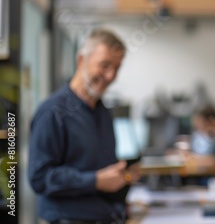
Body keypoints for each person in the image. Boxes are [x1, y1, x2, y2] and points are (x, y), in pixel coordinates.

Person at [28, 29, 140, 224]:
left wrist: (122, 178)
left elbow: (99, 170)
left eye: (117, 68)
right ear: (81, 60)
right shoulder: (52, 112)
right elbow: (39, 177)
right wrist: (95, 180)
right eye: (105, 65)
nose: (111, 75)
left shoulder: (103, 113)